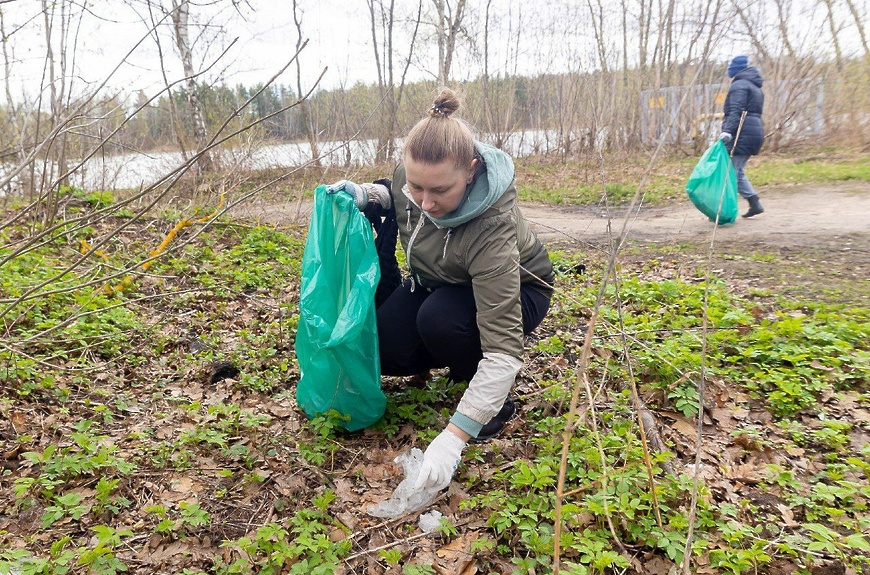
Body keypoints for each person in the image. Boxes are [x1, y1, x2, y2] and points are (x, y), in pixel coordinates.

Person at [326, 88, 555, 492]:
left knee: (442, 321)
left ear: (470, 170)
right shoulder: (411, 181)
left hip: (520, 290)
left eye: (440, 191)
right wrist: (367, 195)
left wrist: (453, 438)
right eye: (418, 188)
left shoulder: (492, 229)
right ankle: (447, 344)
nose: (426, 203)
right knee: (386, 349)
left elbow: (503, 351)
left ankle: (489, 401)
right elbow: (396, 194)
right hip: (441, 281)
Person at [719, 54, 765, 218]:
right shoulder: (755, 86)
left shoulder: (739, 85)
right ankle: (754, 203)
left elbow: (736, 110)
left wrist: (728, 131)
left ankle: (722, 211)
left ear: (735, 70)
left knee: (729, 173)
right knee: (737, 171)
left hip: (742, 132)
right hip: (754, 131)